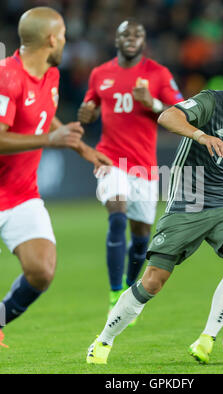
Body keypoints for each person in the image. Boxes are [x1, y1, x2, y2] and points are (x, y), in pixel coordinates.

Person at [86, 54, 223, 365]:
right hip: (188, 201)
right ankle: (103, 341)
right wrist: (199, 134)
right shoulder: (210, 102)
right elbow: (167, 116)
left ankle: (207, 339)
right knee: (153, 280)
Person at [0, 7, 112, 348]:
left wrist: (82, 149)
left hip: (20, 194)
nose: (65, 41)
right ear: (51, 39)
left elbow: (45, 118)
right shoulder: (7, 77)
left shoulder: (50, 75)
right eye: (62, 35)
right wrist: (49, 142)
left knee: (42, 270)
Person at [78, 19, 183, 317]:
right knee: (117, 215)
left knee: (141, 237)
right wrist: (85, 112)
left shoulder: (158, 74)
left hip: (144, 167)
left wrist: (153, 103)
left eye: (137, 34)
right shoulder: (100, 74)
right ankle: (113, 292)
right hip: (110, 160)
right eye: (125, 33)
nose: (131, 38)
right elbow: (89, 108)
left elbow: (182, 112)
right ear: (117, 39)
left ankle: (126, 292)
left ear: (143, 40)